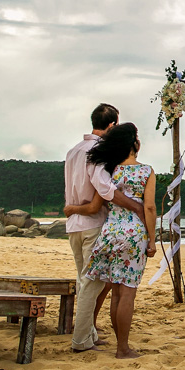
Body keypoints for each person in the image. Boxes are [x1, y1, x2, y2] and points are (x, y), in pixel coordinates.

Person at [62, 103, 146, 354]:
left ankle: (89, 333)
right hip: (92, 223)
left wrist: (75, 208)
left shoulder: (73, 150)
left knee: (84, 280)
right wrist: (136, 207)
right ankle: (80, 340)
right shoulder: (99, 151)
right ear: (111, 126)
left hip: (74, 225)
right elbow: (105, 189)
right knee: (92, 283)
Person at [78, 123, 157, 358]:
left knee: (115, 292)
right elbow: (150, 207)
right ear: (135, 145)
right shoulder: (146, 171)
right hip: (133, 234)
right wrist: (152, 240)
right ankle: (123, 348)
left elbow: (104, 198)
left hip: (110, 231)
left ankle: (120, 344)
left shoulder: (111, 170)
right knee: (128, 293)